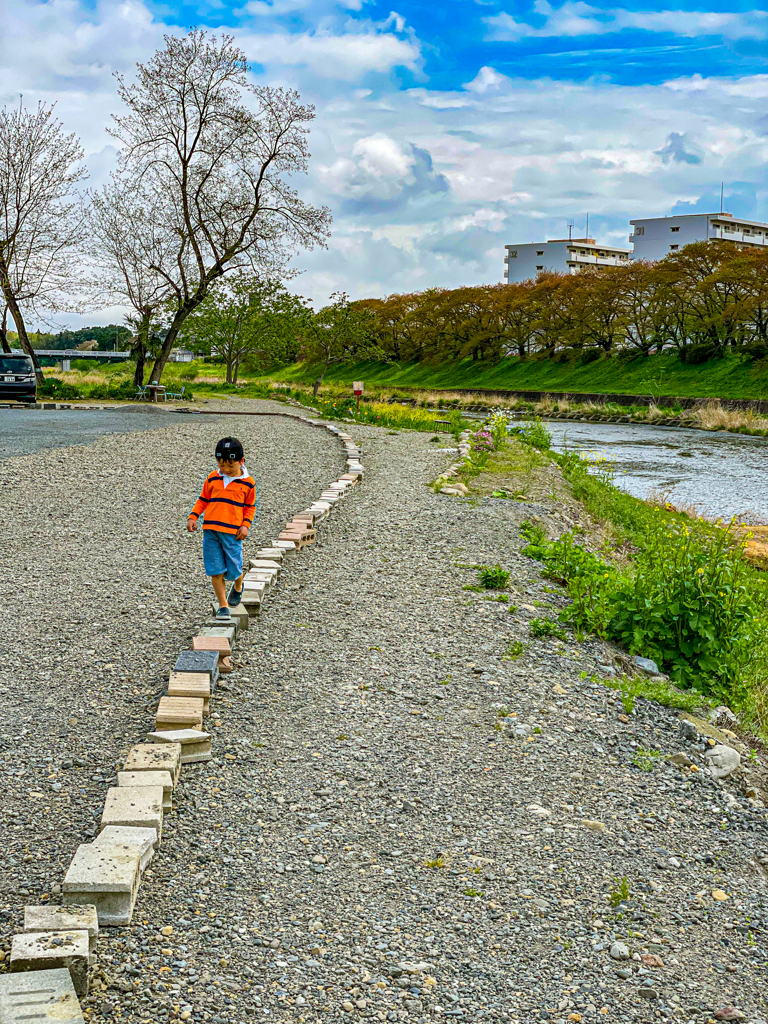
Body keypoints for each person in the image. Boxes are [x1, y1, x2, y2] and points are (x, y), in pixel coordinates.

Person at [187, 437, 258, 620]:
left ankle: (238, 584)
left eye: (230, 466)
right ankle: (223, 605)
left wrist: (245, 525)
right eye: (221, 465)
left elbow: (250, 507)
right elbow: (203, 499)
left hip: (232, 533)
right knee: (215, 569)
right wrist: (193, 516)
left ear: (241, 461)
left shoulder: (248, 483)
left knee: (233, 568)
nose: (225, 470)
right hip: (210, 530)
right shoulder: (212, 477)